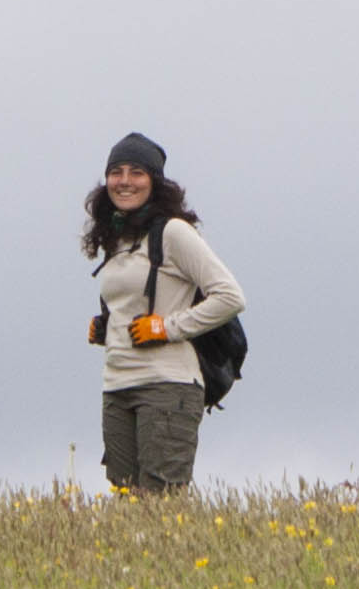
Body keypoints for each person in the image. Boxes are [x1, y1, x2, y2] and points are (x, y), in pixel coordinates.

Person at [83, 131, 242, 498]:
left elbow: (230, 296)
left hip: (168, 384)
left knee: (161, 503)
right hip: (116, 385)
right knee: (125, 500)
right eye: (116, 172)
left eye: (136, 172)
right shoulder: (116, 238)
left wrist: (167, 328)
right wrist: (107, 328)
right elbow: (137, 301)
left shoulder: (173, 232)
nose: (124, 181)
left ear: (155, 181)